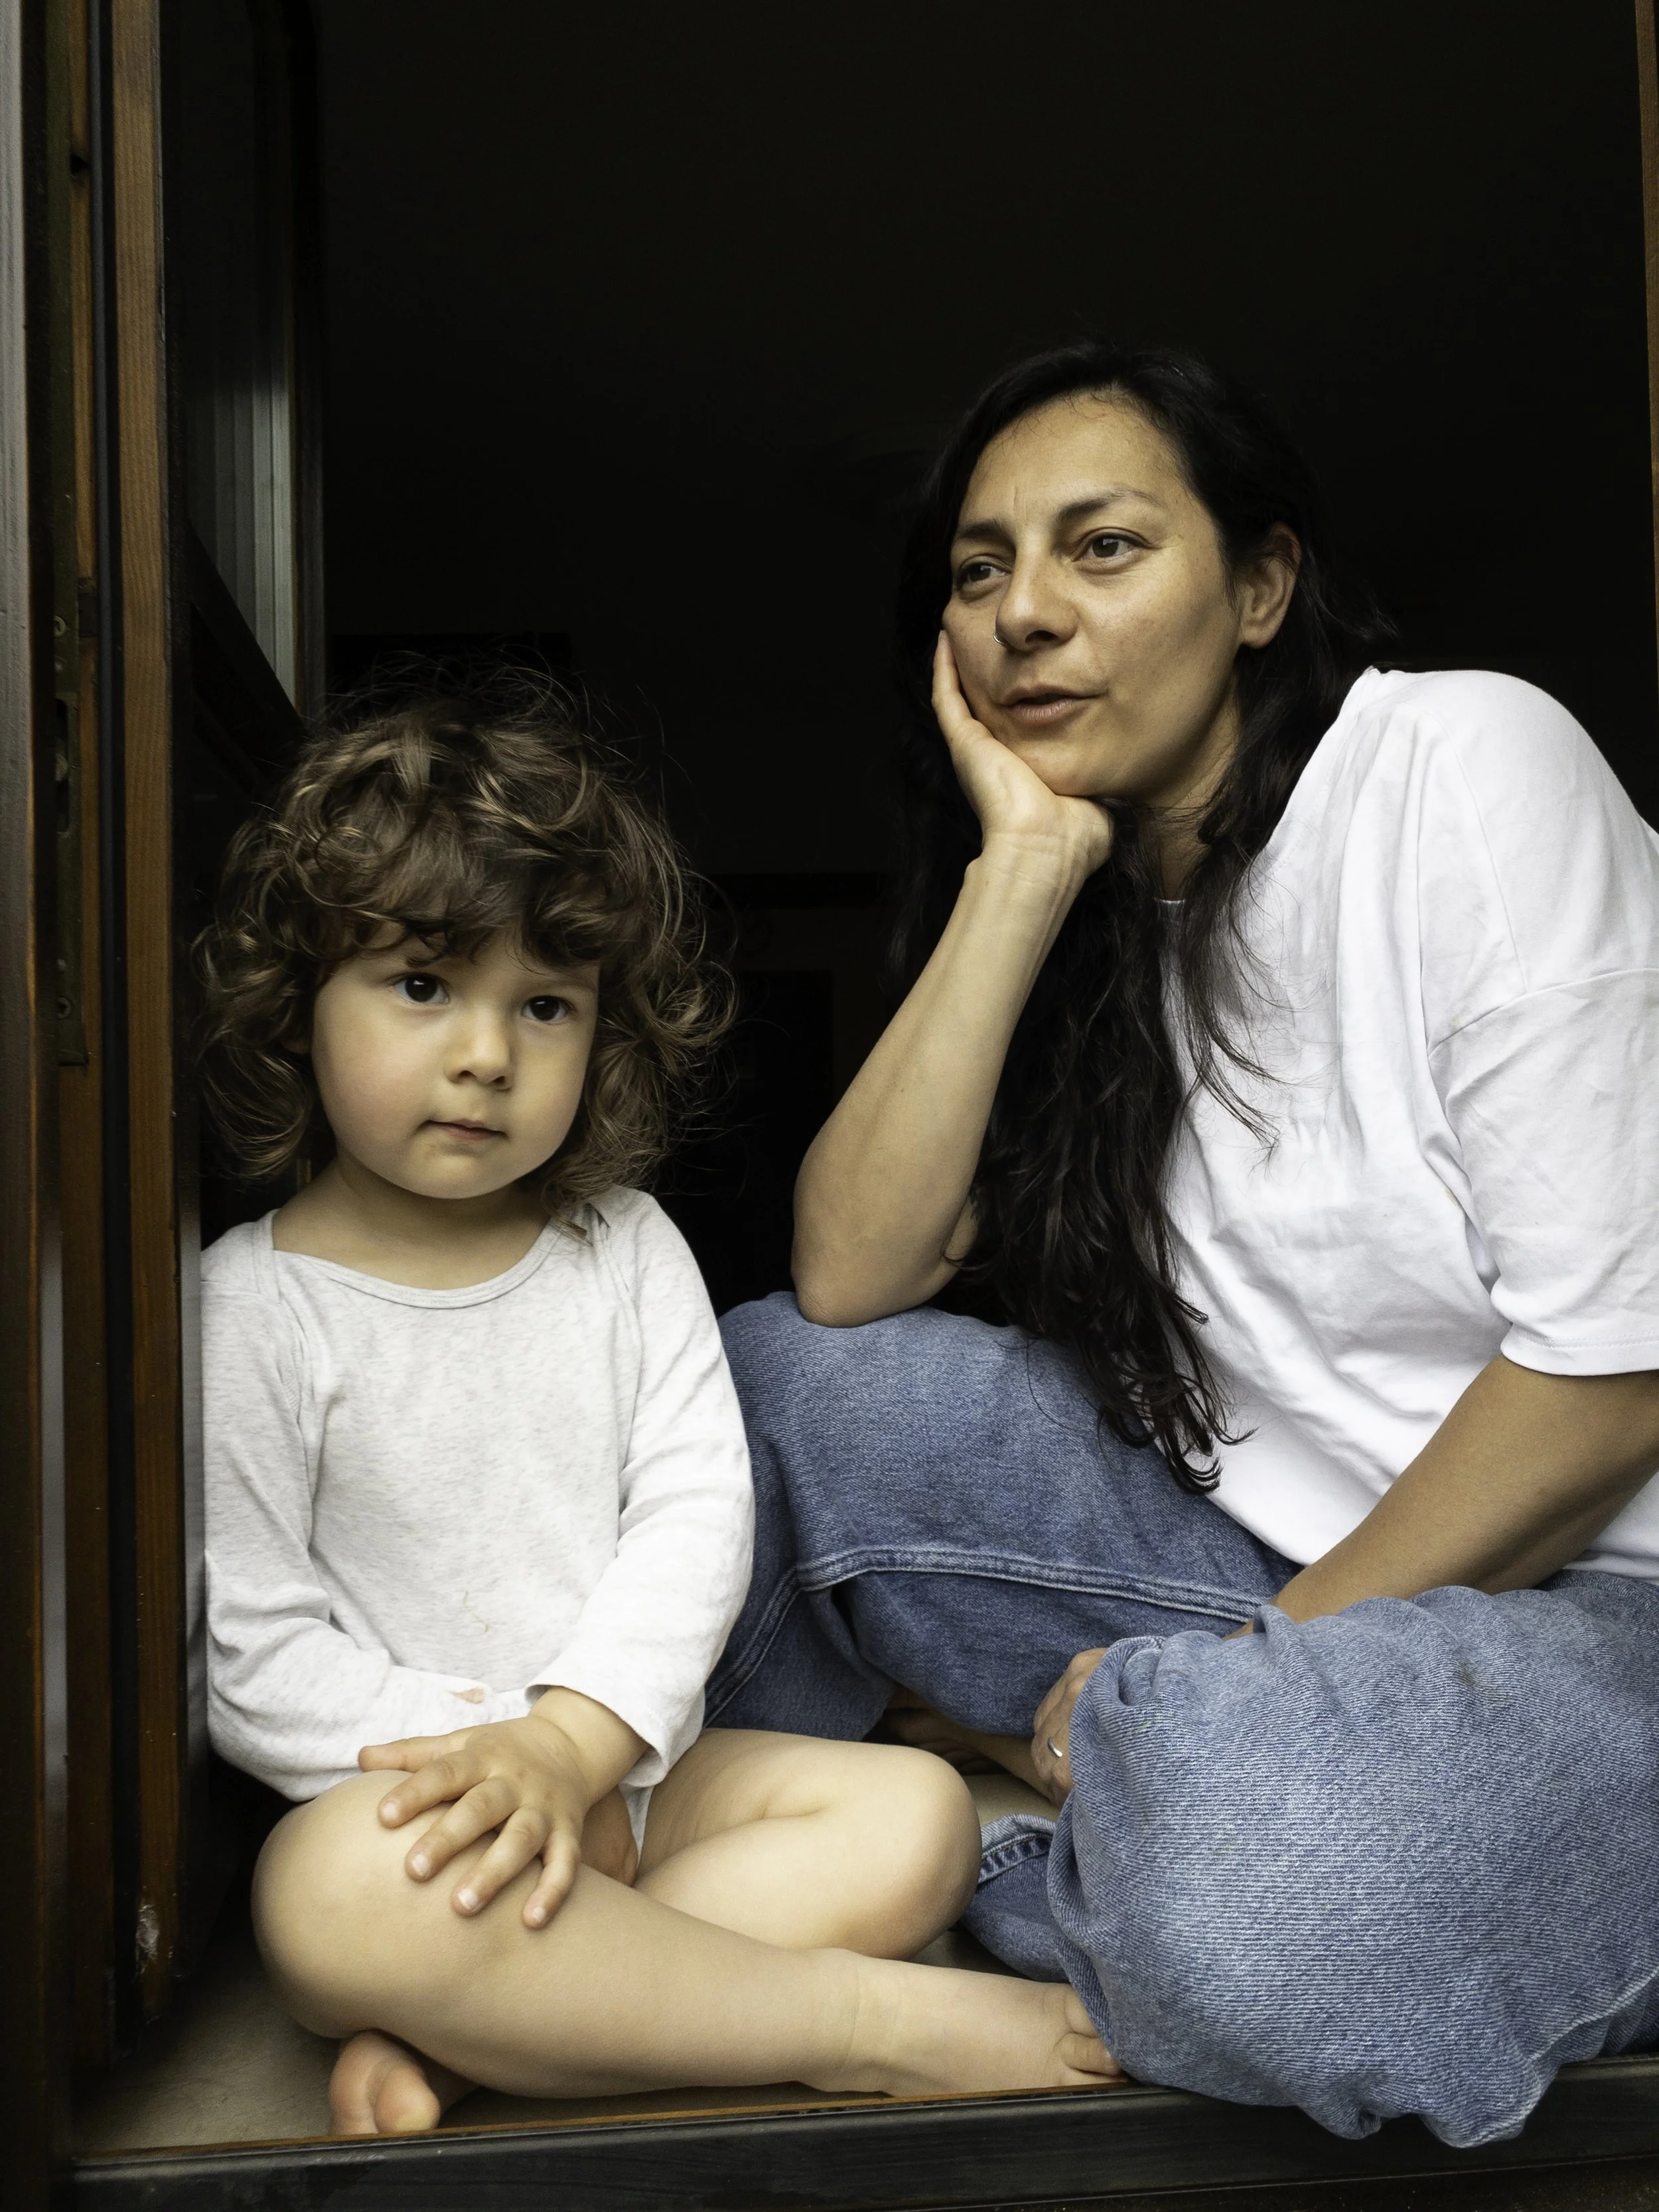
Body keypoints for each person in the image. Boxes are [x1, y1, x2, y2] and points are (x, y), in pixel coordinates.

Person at [705, 342, 1659, 2148]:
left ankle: (970, 1824)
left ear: (1262, 587)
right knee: (768, 1389)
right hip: (1272, 1579)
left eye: (1103, 548)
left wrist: (1241, 1683)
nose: (1024, 616)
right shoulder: (1100, 923)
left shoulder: (1457, 761)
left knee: (1267, 1896)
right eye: (979, 571)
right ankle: (1069, 1814)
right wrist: (1021, 869)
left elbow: (1607, 1383)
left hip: (1612, 1611)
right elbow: (840, 1281)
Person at [196, 678, 1119, 2136]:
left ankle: (487, 2039)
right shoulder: (253, 1303)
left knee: (914, 1817)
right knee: (320, 1902)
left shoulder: (619, 1248)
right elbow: (256, 1652)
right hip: (419, 1816)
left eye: (544, 1005)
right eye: (424, 986)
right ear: (298, 996)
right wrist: (497, 1765)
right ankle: (870, 2023)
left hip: (634, 1771)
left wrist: (574, 1751)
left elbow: (696, 1518)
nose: (487, 1052)